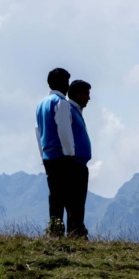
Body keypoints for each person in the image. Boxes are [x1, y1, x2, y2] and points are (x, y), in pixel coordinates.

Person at [36, 68, 77, 237]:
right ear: (62, 83)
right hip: (61, 156)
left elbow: (38, 132)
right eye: (67, 82)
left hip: (48, 156)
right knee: (69, 197)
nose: (68, 86)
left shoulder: (41, 104)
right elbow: (64, 130)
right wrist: (70, 153)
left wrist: (42, 155)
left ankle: (54, 229)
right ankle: (70, 231)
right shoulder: (61, 103)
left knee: (55, 196)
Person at [64, 80, 93, 238]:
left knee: (79, 201)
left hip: (80, 164)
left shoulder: (77, 111)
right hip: (74, 164)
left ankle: (76, 232)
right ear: (77, 94)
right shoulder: (69, 110)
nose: (88, 98)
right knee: (75, 201)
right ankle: (77, 233)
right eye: (86, 94)